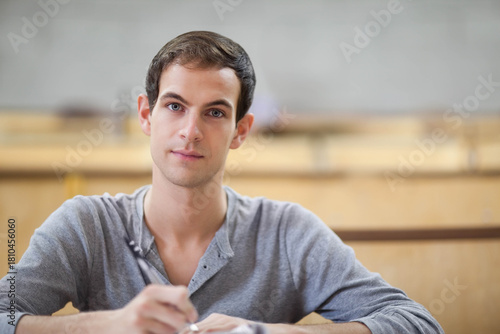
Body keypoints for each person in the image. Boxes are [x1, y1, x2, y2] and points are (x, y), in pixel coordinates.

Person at [0, 31, 444, 334]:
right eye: (174, 106)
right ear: (145, 115)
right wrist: (111, 325)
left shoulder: (287, 232)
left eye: (214, 112)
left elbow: (418, 323)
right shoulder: (85, 225)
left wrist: (265, 333)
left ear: (241, 130)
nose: (190, 131)